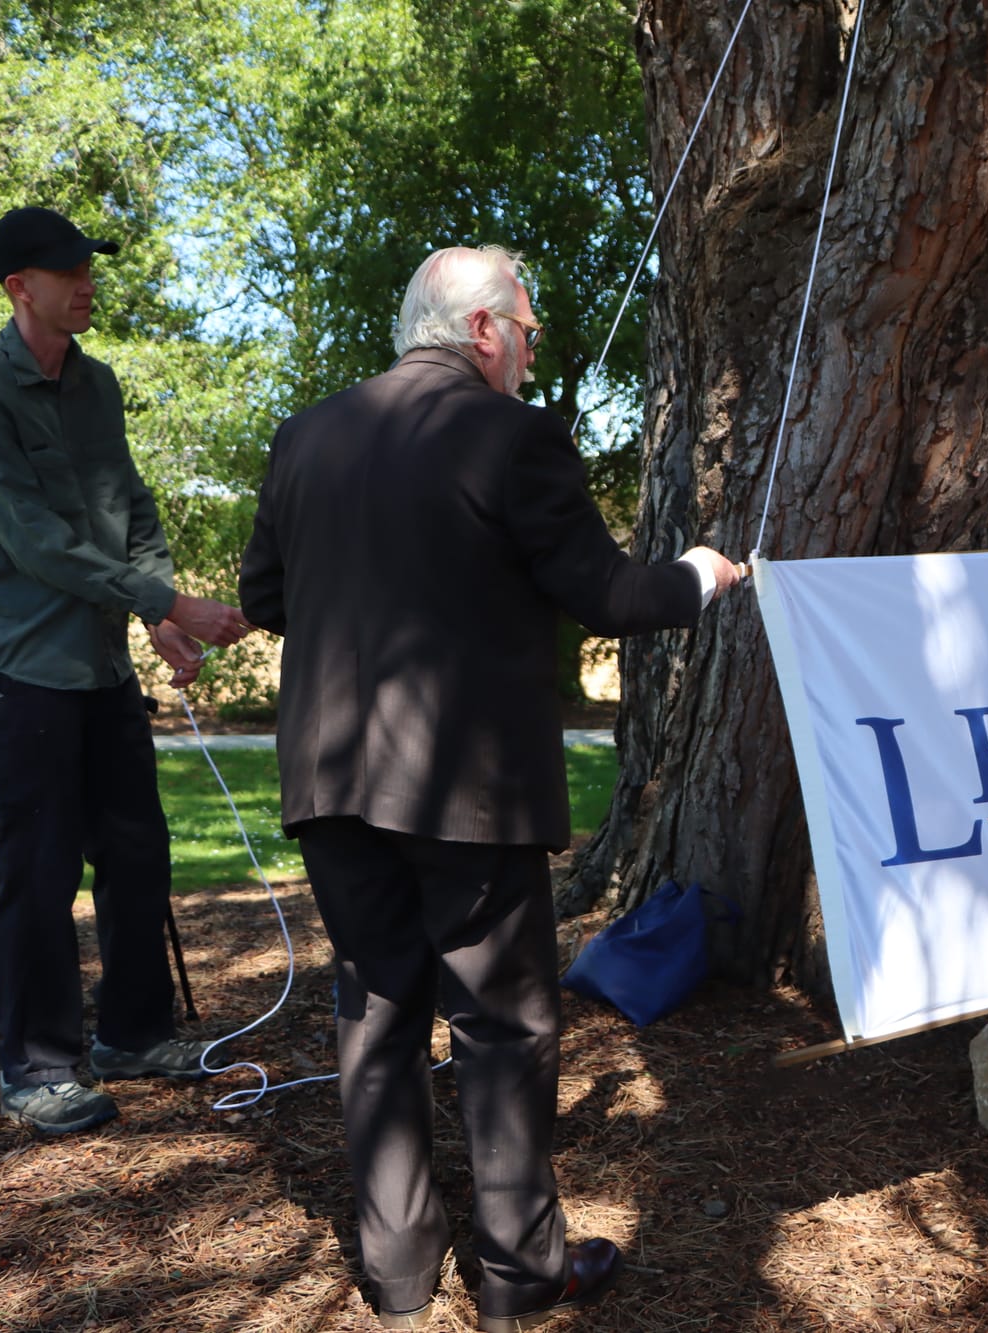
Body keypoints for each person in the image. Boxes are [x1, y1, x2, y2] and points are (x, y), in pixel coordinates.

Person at [239, 244, 739, 1331]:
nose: (534, 338)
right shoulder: (515, 436)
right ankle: (518, 1273)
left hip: (329, 785)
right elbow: (603, 594)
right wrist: (699, 575)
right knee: (502, 1029)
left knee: (373, 1017)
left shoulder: (306, 435)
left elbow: (266, 594)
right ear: (478, 330)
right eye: (526, 317)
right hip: (466, 787)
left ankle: (398, 1274)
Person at [0, 206, 252, 1135]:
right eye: (66, 270)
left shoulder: (97, 384)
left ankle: (136, 1034)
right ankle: (36, 1067)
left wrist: (157, 606)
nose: (86, 281)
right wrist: (162, 603)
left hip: (103, 659)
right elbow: (35, 542)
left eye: (89, 266)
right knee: (38, 866)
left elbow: (129, 501)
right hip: (23, 661)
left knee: (136, 847)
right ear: (17, 286)